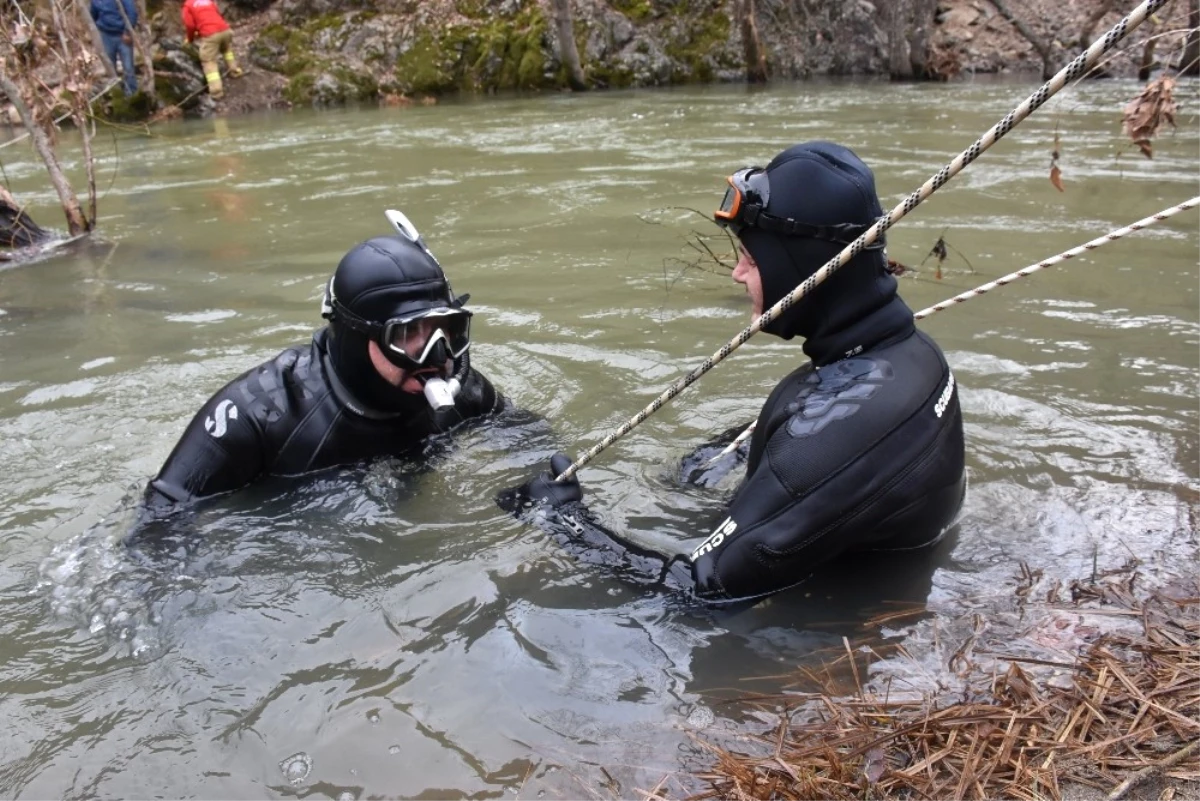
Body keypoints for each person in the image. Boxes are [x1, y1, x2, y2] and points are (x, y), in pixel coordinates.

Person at [505, 141, 966, 605]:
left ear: (800, 266)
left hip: (827, 645)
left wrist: (565, 523)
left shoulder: (840, 433)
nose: (737, 274)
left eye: (750, 257)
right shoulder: (910, 353)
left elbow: (700, 590)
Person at [141, 211, 503, 517]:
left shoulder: (463, 386)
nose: (438, 356)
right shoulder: (257, 414)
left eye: (447, 329)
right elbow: (159, 527)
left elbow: (528, 444)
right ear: (357, 339)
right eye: (408, 334)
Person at [182, 0, 243, 100]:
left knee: (208, 60)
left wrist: (190, 39)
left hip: (211, 34)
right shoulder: (208, 1)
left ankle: (216, 92)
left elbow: (190, 25)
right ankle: (235, 71)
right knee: (226, 49)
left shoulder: (187, 6)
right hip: (226, 30)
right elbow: (216, 15)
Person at [90, 0, 139, 96]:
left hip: (122, 35)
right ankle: (116, 93)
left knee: (128, 67)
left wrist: (128, 32)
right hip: (106, 35)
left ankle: (131, 94)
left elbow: (132, 13)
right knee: (110, 66)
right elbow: (93, 14)